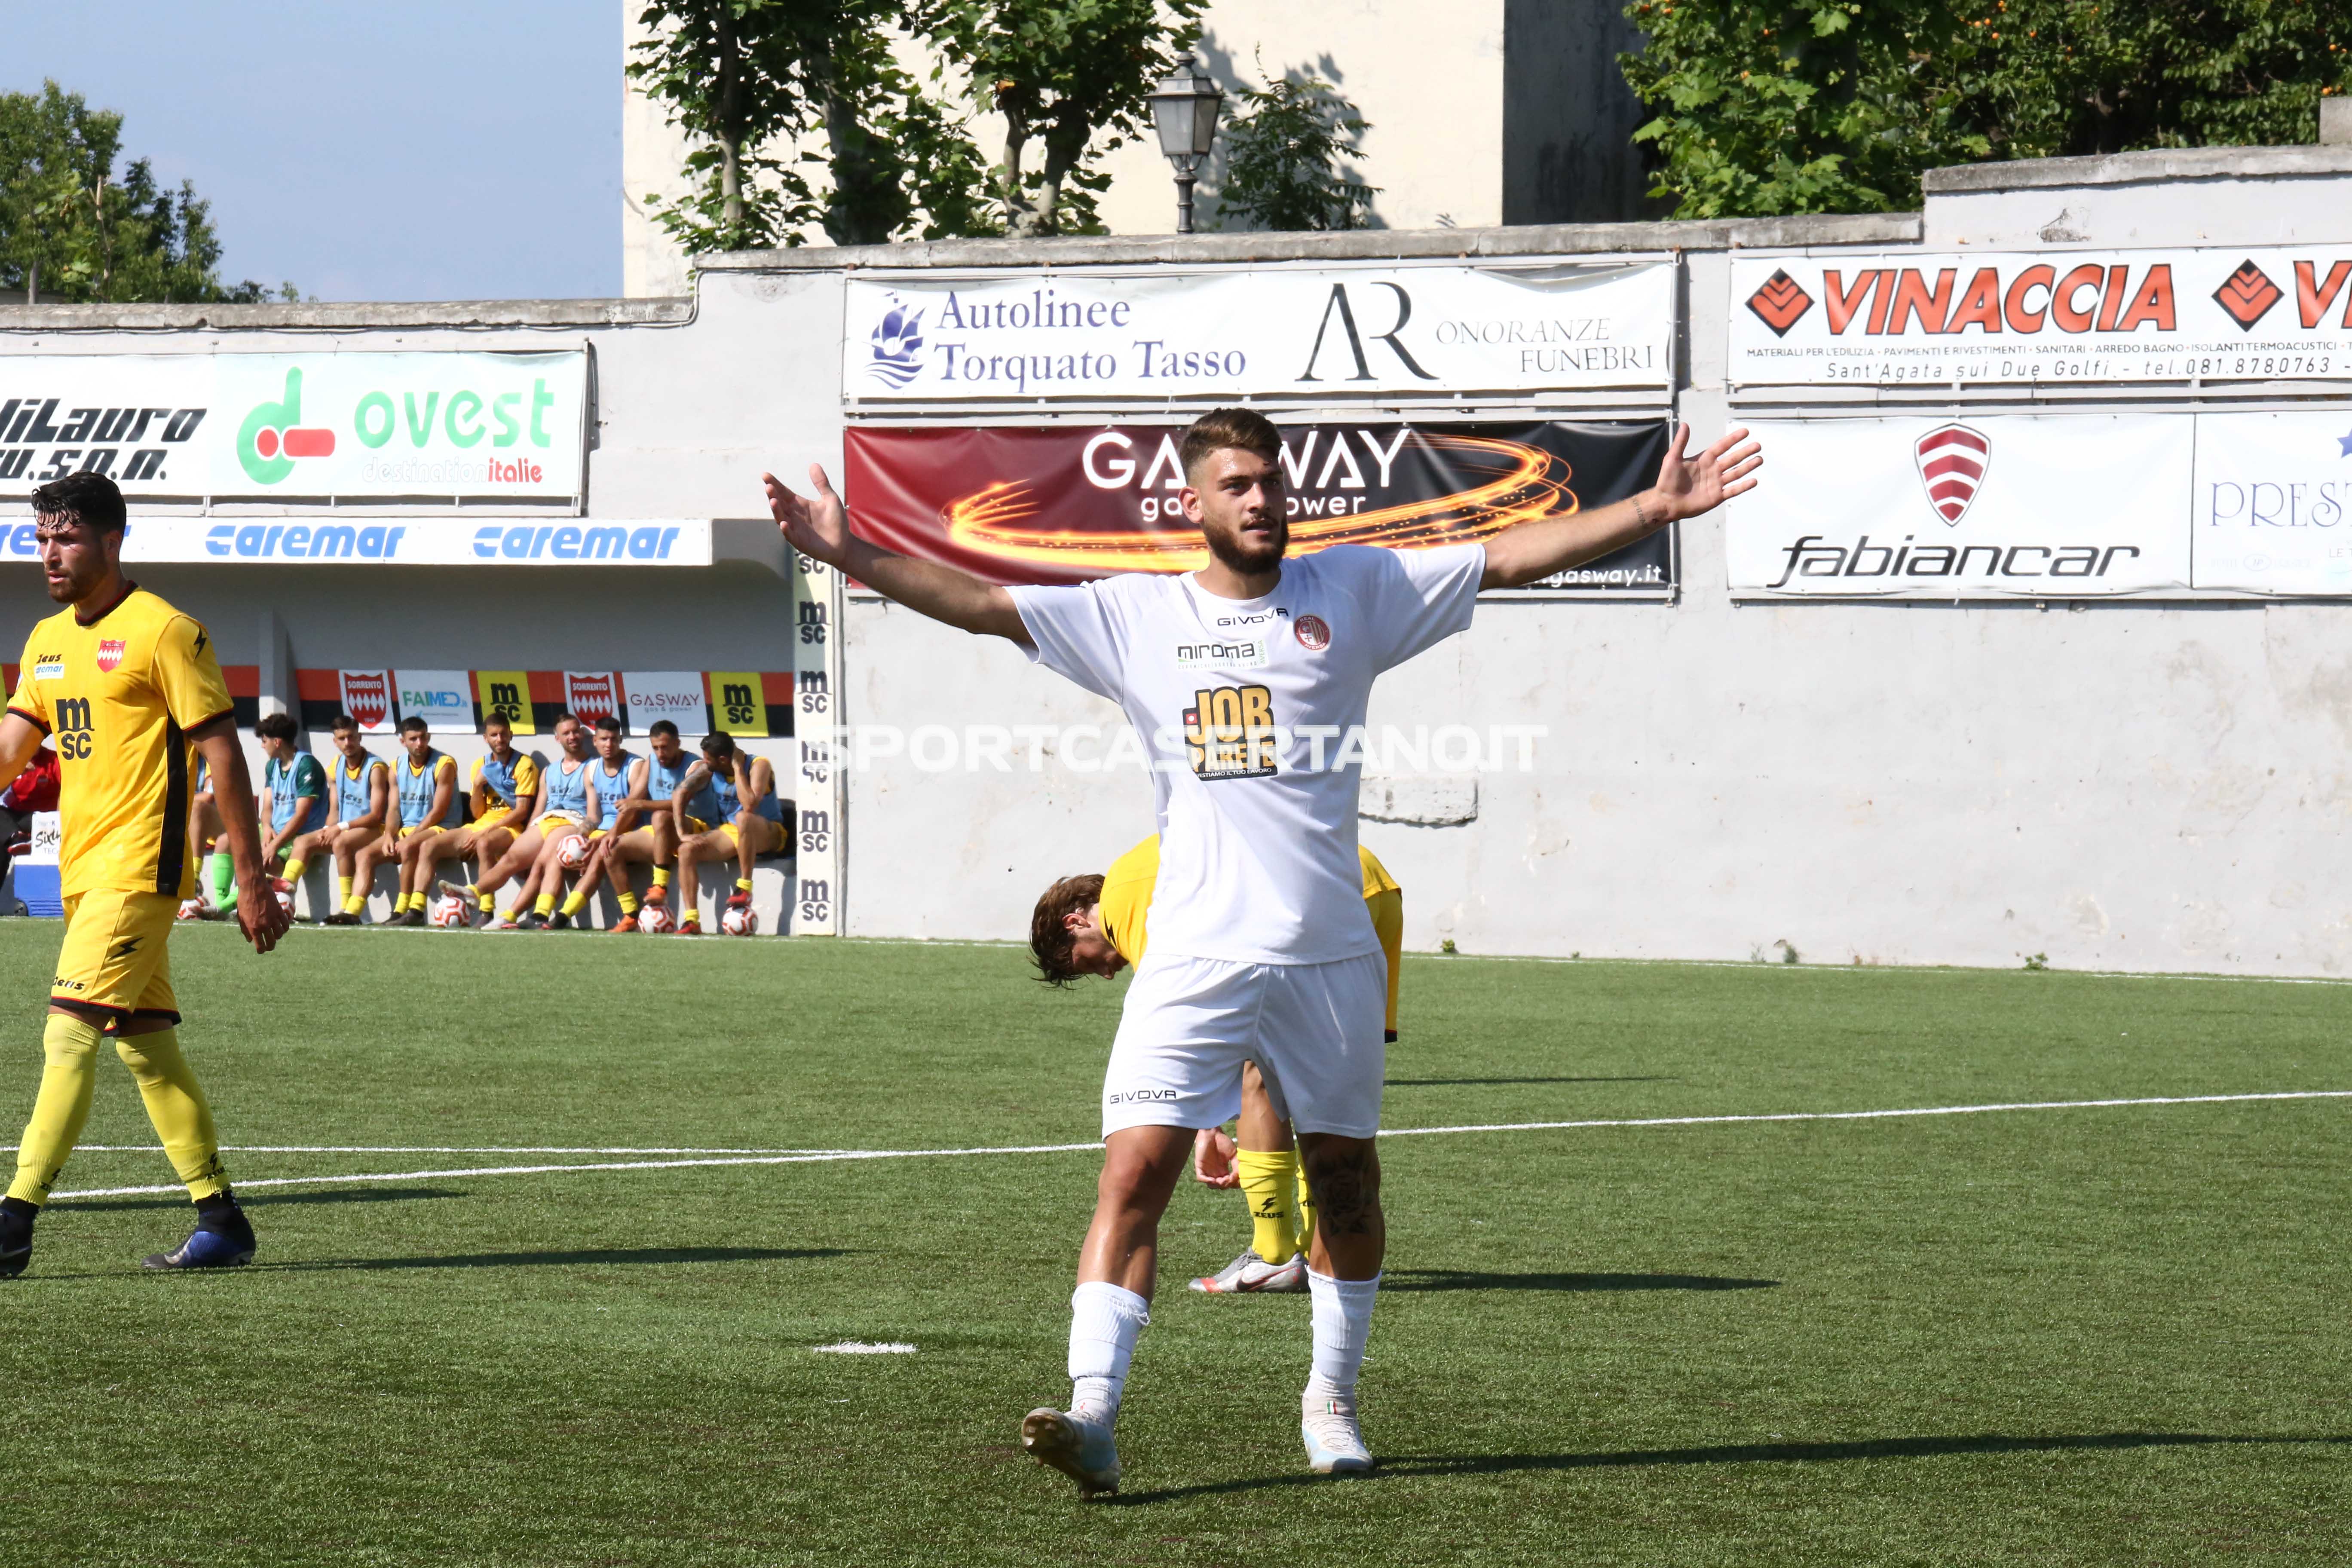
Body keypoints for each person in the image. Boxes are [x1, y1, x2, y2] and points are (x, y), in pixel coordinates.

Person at [765, 407, 1759, 1494]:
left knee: (1347, 1185)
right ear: (1191, 502)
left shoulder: (1356, 588)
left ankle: (1330, 1399)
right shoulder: (1132, 615)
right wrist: (848, 552)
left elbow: (1511, 555)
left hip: (1329, 955)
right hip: (1193, 954)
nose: (1260, 499)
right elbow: (982, 604)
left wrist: (1651, 508)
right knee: (1131, 1174)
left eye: (1270, 481)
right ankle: (1093, 1412)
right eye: (1236, 484)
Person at [0, 472, 291, 1276]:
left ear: (112, 540)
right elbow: (12, 748)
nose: (50, 553)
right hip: (84, 874)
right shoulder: (46, 639)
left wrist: (252, 879)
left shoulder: (166, 631)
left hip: (139, 870)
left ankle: (13, 1220)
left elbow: (223, 755)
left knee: (68, 1033)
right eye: (42, 538)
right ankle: (221, 1220)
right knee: (146, 1048)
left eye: (67, 538)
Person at [1030, 833, 1406, 1295]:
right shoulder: (1147, 861)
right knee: (1327, 1092)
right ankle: (1317, 1256)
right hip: (1371, 882)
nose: (1107, 973)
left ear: (1075, 922)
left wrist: (1205, 1126)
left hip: (1315, 898)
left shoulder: (1124, 899)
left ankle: (1273, 1255)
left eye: (1087, 964)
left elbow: (1190, 1023)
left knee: (1258, 1069)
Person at [438, 712, 590, 931]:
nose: (572, 737)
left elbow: (595, 808)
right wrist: (528, 834)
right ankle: (476, 892)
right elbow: (539, 809)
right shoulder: (550, 771)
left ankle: (532, 915)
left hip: (572, 820)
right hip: (545, 821)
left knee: (542, 862)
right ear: (557, 738)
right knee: (511, 859)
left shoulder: (592, 767)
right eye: (566, 733)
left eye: (576, 732)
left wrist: (588, 832)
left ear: (582, 734)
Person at [667, 730, 784, 936]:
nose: (704, 762)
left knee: (743, 818)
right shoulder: (710, 769)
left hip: (769, 830)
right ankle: (692, 920)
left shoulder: (759, 765)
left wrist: (738, 768)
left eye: (707, 759)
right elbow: (679, 793)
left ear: (722, 760)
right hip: (732, 831)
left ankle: (745, 888)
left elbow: (749, 806)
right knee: (686, 850)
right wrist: (681, 833)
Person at [282, 713, 389, 925]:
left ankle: (346, 908)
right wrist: (327, 828)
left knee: (341, 842)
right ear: (335, 741)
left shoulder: (376, 768)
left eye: (352, 737)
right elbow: (335, 809)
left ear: (360, 737)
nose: (347, 743)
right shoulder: (336, 765)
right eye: (342, 738)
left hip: (375, 829)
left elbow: (377, 816)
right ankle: (283, 892)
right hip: (346, 828)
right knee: (303, 841)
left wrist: (340, 828)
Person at [358, 716, 465, 927]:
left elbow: (439, 811)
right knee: (364, 855)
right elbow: (394, 809)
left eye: (423, 738)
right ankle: (353, 912)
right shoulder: (396, 766)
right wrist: (389, 835)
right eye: (413, 739)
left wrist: (412, 836)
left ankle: (406, 910)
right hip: (409, 829)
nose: (419, 743)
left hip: (442, 826)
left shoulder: (444, 764)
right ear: (403, 741)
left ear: (429, 737)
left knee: (408, 847)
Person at [440, 712, 538, 925]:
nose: (499, 739)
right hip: (483, 824)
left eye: (503, 734)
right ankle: (413, 909)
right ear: (486, 738)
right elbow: (477, 814)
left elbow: (522, 811)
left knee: (484, 844)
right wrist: (477, 786)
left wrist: (486, 832)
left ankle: (486, 910)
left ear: (511, 735)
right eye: (494, 735)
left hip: (512, 826)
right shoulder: (480, 765)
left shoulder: (524, 764)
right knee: (429, 846)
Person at [554, 714, 645, 930]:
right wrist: (580, 837)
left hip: (630, 830)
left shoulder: (636, 766)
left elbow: (633, 814)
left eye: (613, 739)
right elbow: (594, 817)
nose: (609, 745)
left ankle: (564, 916)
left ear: (621, 740)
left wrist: (606, 836)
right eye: (604, 739)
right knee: (562, 853)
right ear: (595, 741)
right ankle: (543, 912)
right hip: (604, 831)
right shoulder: (592, 769)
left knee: (600, 855)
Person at [609, 718, 695, 928]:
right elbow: (633, 800)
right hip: (661, 831)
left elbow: (680, 803)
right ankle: (630, 914)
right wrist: (613, 832)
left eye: (665, 747)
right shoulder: (651, 762)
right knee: (611, 849)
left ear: (678, 743)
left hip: (692, 826)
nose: (660, 754)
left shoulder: (695, 766)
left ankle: (660, 886)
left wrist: (640, 804)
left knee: (660, 816)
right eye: (655, 748)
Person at [254, 712, 327, 891]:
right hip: (276, 832)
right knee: (226, 842)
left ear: (277, 742)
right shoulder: (272, 766)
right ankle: (215, 897)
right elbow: (267, 807)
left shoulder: (306, 765)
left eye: (264, 741)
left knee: (260, 865)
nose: (262, 746)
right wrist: (267, 828)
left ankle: (226, 906)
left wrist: (274, 845)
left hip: (298, 834)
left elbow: (301, 816)